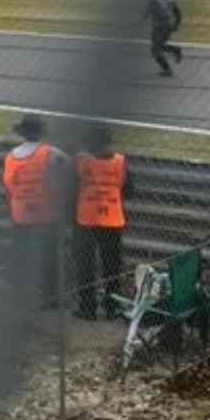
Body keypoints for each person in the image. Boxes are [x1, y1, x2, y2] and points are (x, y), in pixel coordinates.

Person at [1, 115, 73, 308]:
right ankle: (50, 298)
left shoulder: (11, 157)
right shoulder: (51, 153)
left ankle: (19, 296)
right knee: (50, 258)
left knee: (21, 256)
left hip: (20, 213)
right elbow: (69, 168)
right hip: (45, 214)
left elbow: (8, 185)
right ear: (41, 133)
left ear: (22, 133)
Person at [73, 123, 133, 320]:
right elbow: (129, 191)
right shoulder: (119, 161)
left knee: (85, 265)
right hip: (112, 219)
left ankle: (87, 308)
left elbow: (71, 188)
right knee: (112, 266)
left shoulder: (81, 161)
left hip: (86, 219)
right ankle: (112, 307)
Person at [144, 0, 184, 76]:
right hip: (168, 26)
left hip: (158, 27)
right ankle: (175, 50)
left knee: (155, 50)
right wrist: (176, 25)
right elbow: (178, 13)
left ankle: (167, 70)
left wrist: (139, 20)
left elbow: (147, 12)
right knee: (159, 46)